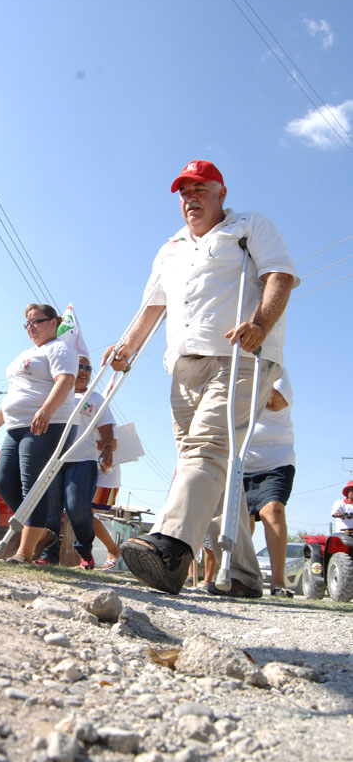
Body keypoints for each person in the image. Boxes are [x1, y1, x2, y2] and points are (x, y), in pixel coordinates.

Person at [103, 159, 299, 597]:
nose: (191, 199)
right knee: (210, 471)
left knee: (205, 451)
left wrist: (260, 325)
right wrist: (126, 348)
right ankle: (246, 576)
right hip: (183, 365)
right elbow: (152, 307)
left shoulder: (249, 226)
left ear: (221, 194)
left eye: (200, 190)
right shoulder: (170, 247)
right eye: (184, 193)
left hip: (240, 354)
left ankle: (170, 547)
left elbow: (279, 276)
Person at [0, 304, 78, 563]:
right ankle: (41, 532)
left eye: (37, 321)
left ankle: (24, 552)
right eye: (27, 324)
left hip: (45, 424)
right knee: (2, 482)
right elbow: (13, 394)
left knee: (32, 485)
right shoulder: (23, 355)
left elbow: (66, 381)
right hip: (15, 426)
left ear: (54, 322)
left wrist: (46, 410)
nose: (31, 327)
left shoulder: (61, 348)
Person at [36, 355, 116, 569]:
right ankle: (49, 554)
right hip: (54, 461)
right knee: (51, 511)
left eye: (88, 368)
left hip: (83, 461)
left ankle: (85, 552)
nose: (84, 371)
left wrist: (108, 448)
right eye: (79, 366)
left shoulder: (96, 398)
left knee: (76, 508)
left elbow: (107, 427)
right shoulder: (55, 395)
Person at [241, 368, 296, 598]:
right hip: (242, 461)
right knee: (243, 522)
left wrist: (241, 389)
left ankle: (277, 581)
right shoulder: (232, 368)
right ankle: (243, 576)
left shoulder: (277, 370)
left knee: (272, 510)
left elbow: (274, 401)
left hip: (276, 460)